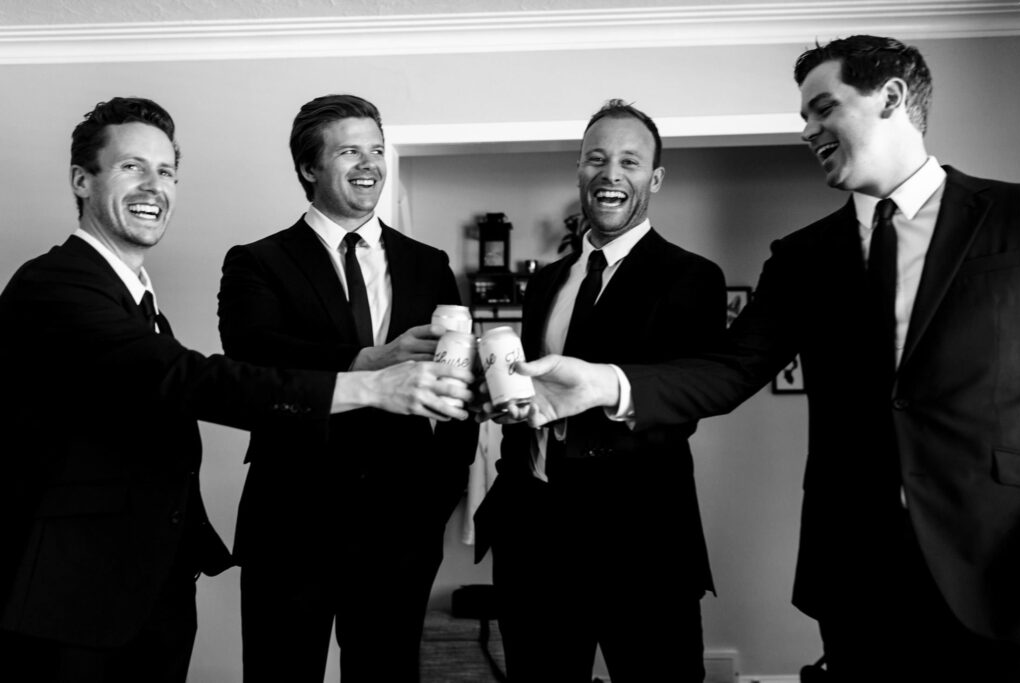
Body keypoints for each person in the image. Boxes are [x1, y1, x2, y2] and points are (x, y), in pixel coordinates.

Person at [504, 36, 1020, 681]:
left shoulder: (1015, 218)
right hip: (855, 562)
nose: (807, 130)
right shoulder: (804, 257)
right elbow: (731, 369)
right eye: (804, 115)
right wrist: (604, 383)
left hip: (999, 552)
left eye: (823, 108)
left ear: (891, 97)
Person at [0, 97, 472, 683]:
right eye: (131, 167)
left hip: (156, 576)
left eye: (166, 170)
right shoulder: (59, 285)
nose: (154, 185)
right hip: (85, 588)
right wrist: (372, 381)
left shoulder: (135, 299)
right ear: (82, 180)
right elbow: (198, 377)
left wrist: (440, 491)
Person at [217, 94, 480, 683]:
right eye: (349, 152)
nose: (370, 165)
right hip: (291, 522)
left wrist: (443, 488)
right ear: (309, 168)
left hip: (403, 526)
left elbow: (457, 383)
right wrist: (367, 360)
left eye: (377, 150)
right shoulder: (257, 262)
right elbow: (253, 360)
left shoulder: (429, 264)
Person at [473, 100, 726, 682]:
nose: (611, 173)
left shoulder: (693, 278)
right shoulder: (547, 282)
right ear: (579, 171)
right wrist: (503, 402)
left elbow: (688, 402)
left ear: (654, 179)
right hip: (533, 540)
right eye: (597, 159)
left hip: (640, 543)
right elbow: (535, 393)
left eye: (630, 161)